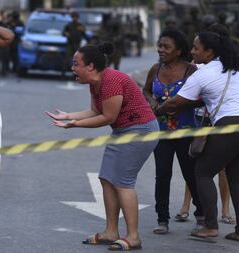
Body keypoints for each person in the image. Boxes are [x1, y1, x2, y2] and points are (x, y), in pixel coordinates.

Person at [46, 42, 159, 250]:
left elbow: (107, 117)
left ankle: (133, 237)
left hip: (140, 131)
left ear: (90, 66)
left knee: (123, 182)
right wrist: (68, 115)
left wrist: (75, 124)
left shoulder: (112, 81)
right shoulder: (95, 82)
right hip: (123, 131)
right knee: (107, 178)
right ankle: (110, 232)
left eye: (76, 64)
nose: (72, 68)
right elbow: (94, 111)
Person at [157, 30, 239, 241]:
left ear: (209, 52)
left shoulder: (202, 73)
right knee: (235, 177)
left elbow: (175, 102)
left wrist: (156, 111)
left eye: (196, 48)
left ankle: (210, 226)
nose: (192, 51)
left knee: (201, 172)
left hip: (228, 125)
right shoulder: (232, 65)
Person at [143, 29, 203, 234]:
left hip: (185, 131)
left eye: (166, 47)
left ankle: (201, 215)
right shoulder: (155, 69)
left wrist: (181, 105)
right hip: (160, 132)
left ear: (178, 50)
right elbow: (146, 90)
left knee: (191, 175)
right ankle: (162, 219)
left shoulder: (191, 71)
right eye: (160, 46)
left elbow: (202, 98)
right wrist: (151, 102)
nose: (160, 50)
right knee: (162, 175)